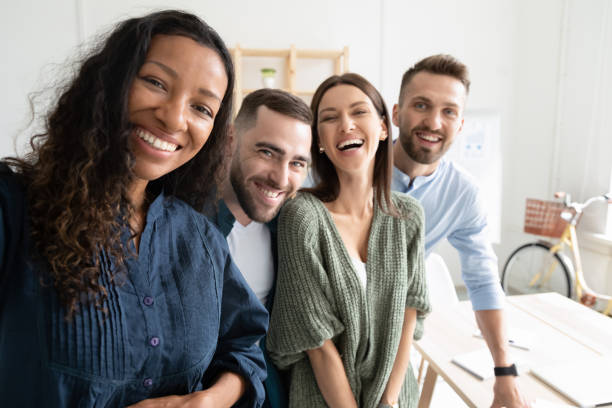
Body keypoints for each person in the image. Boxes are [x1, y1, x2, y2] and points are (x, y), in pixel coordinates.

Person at [0, 10, 267, 407]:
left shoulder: (201, 239)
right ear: (109, 84)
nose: (174, 118)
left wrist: (210, 400)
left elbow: (245, 344)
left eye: (202, 108)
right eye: (156, 82)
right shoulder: (14, 209)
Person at [267, 73, 431, 408]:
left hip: (398, 396)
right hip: (324, 398)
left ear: (384, 128)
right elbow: (317, 341)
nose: (345, 125)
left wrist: (388, 400)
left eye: (358, 112)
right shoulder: (302, 217)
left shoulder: (409, 216)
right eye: (329, 117)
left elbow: (408, 316)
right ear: (320, 141)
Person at [391, 54, 529, 407]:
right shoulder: (352, 168)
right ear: (396, 113)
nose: (433, 121)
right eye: (421, 105)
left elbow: (482, 281)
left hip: (396, 331)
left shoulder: (463, 194)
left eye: (448, 111)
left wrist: (504, 372)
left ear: (461, 124)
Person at [210, 88, 312, 407]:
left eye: (297, 163)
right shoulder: (185, 221)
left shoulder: (290, 227)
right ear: (230, 140)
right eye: (267, 152)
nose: (281, 178)